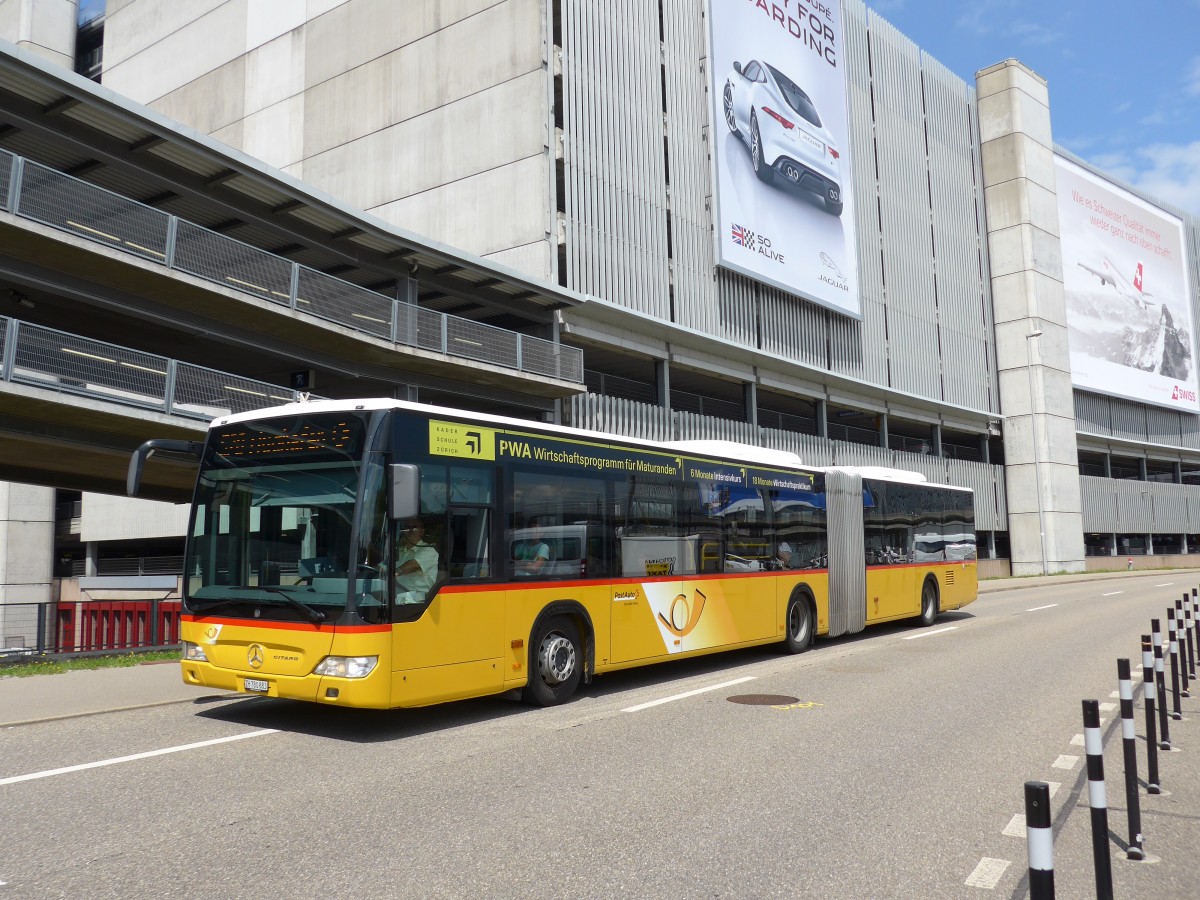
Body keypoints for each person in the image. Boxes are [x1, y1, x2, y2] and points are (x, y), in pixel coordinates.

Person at [395, 519, 439, 602]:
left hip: (418, 601)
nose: (410, 531)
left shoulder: (429, 550)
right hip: (396, 598)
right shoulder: (398, 551)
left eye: (414, 528)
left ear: (422, 532)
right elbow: (381, 568)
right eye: (407, 528)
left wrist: (394, 572)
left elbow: (413, 565)